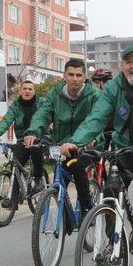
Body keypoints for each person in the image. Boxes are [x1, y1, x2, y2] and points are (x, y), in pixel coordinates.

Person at [61, 45, 133, 234]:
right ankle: (113, 241)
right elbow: (96, 117)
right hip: (126, 144)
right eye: (128, 62)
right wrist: (76, 141)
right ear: (122, 65)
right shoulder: (114, 87)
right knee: (111, 190)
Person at [24, 59, 100, 216]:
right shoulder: (54, 95)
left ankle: (87, 206)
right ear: (64, 75)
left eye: (79, 75)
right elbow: (43, 114)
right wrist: (32, 131)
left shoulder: (94, 95)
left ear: (84, 77)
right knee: (60, 181)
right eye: (71, 74)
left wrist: (94, 138)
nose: (74, 78)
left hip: (87, 145)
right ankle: (65, 217)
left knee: (77, 166)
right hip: (62, 145)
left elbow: (97, 119)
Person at [0, 80, 47, 204]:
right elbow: (7, 120)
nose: (27, 91)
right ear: (20, 91)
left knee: (36, 149)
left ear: (34, 92)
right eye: (25, 88)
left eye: (30, 89)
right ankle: (13, 198)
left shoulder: (41, 103)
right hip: (21, 140)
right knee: (16, 164)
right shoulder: (15, 105)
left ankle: (39, 179)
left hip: (38, 138)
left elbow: (46, 117)